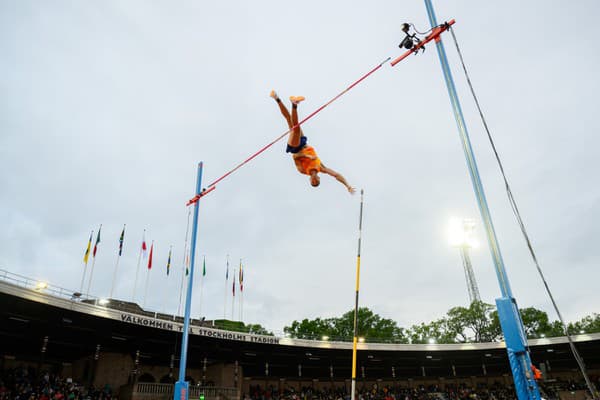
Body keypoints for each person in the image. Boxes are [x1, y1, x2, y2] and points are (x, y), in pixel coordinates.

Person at [270, 90, 355, 194]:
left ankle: (294, 104)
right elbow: (336, 175)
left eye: (312, 182)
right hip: (303, 143)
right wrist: (347, 185)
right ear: (319, 179)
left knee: (295, 128)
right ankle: (276, 97)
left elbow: (295, 157)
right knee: (290, 120)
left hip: (295, 147)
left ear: (310, 180)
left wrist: (308, 157)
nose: (314, 180)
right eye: (316, 181)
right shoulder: (321, 168)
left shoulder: (302, 170)